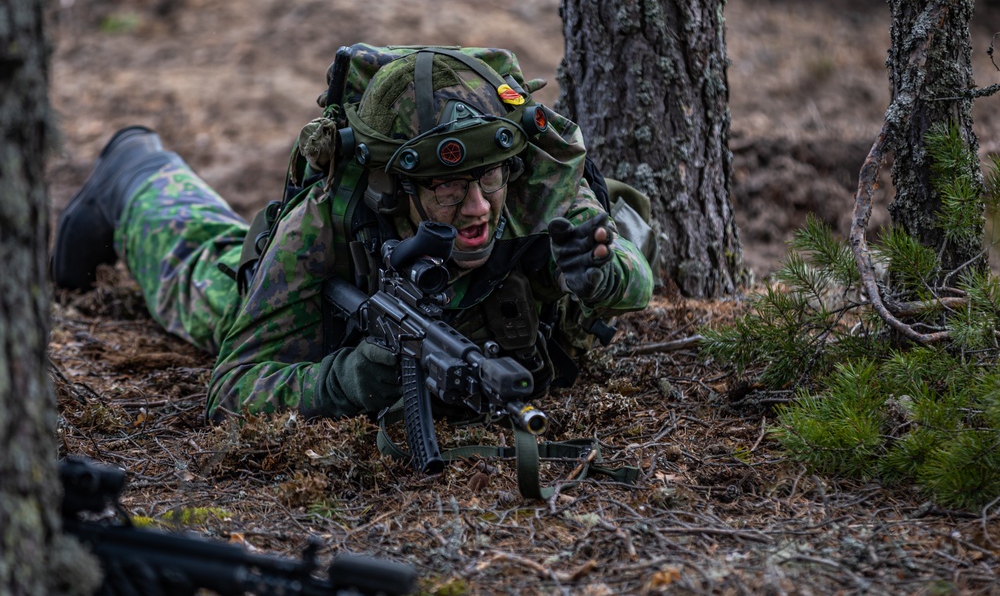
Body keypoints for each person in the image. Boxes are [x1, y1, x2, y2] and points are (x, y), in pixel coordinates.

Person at [52, 46, 654, 423]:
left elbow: (635, 276)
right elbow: (232, 389)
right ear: (399, 189)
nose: (477, 207)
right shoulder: (325, 222)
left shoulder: (534, 190)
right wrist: (349, 381)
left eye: (488, 179)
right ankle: (137, 173)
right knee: (206, 279)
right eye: (448, 189)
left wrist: (602, 273)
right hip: (328, 323)